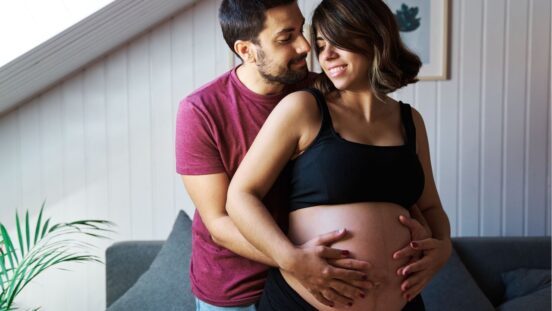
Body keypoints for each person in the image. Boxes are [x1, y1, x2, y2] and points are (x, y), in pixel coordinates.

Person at [226, 0, 453, 310]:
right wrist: (290, 259)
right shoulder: (304, 109)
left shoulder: (410, 121)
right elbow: (240, 196)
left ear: (374, 37)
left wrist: (443, 248)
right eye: (321, 44)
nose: (327, 55)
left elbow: (431, 206)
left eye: (339, 41)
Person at [176, 1, 380, 309]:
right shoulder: (200, 111)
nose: (304, 46)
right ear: (246, 50)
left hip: (314, 281)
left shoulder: (325, 93)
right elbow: (219, 222)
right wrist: (295, 259)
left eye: (302, 30)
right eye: (286, 38)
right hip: (236, 290)